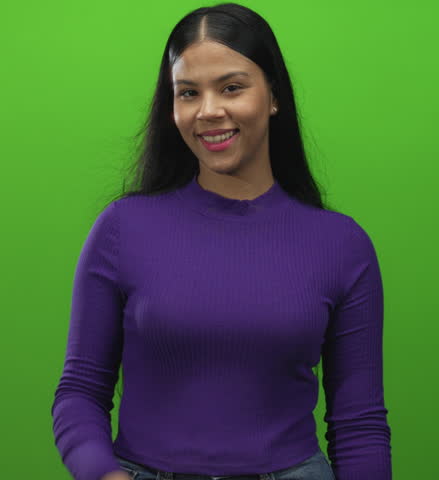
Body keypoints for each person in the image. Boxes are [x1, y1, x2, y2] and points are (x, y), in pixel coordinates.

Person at [50, 3, 392, 480]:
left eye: (232, 87)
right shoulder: (122, 229)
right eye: (188, 92)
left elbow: (359, 424)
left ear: (273, 95)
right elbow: (80, 391)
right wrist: (104, 475)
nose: (209, 111)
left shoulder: (342, 246)